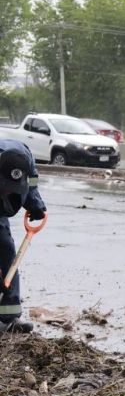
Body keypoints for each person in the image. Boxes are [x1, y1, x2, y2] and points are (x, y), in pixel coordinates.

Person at [0, 140, 47, 334]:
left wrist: (35, 204)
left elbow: (33, 183)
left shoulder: (26, 160)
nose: (9, 190)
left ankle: (10, 318)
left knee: (8, 253)